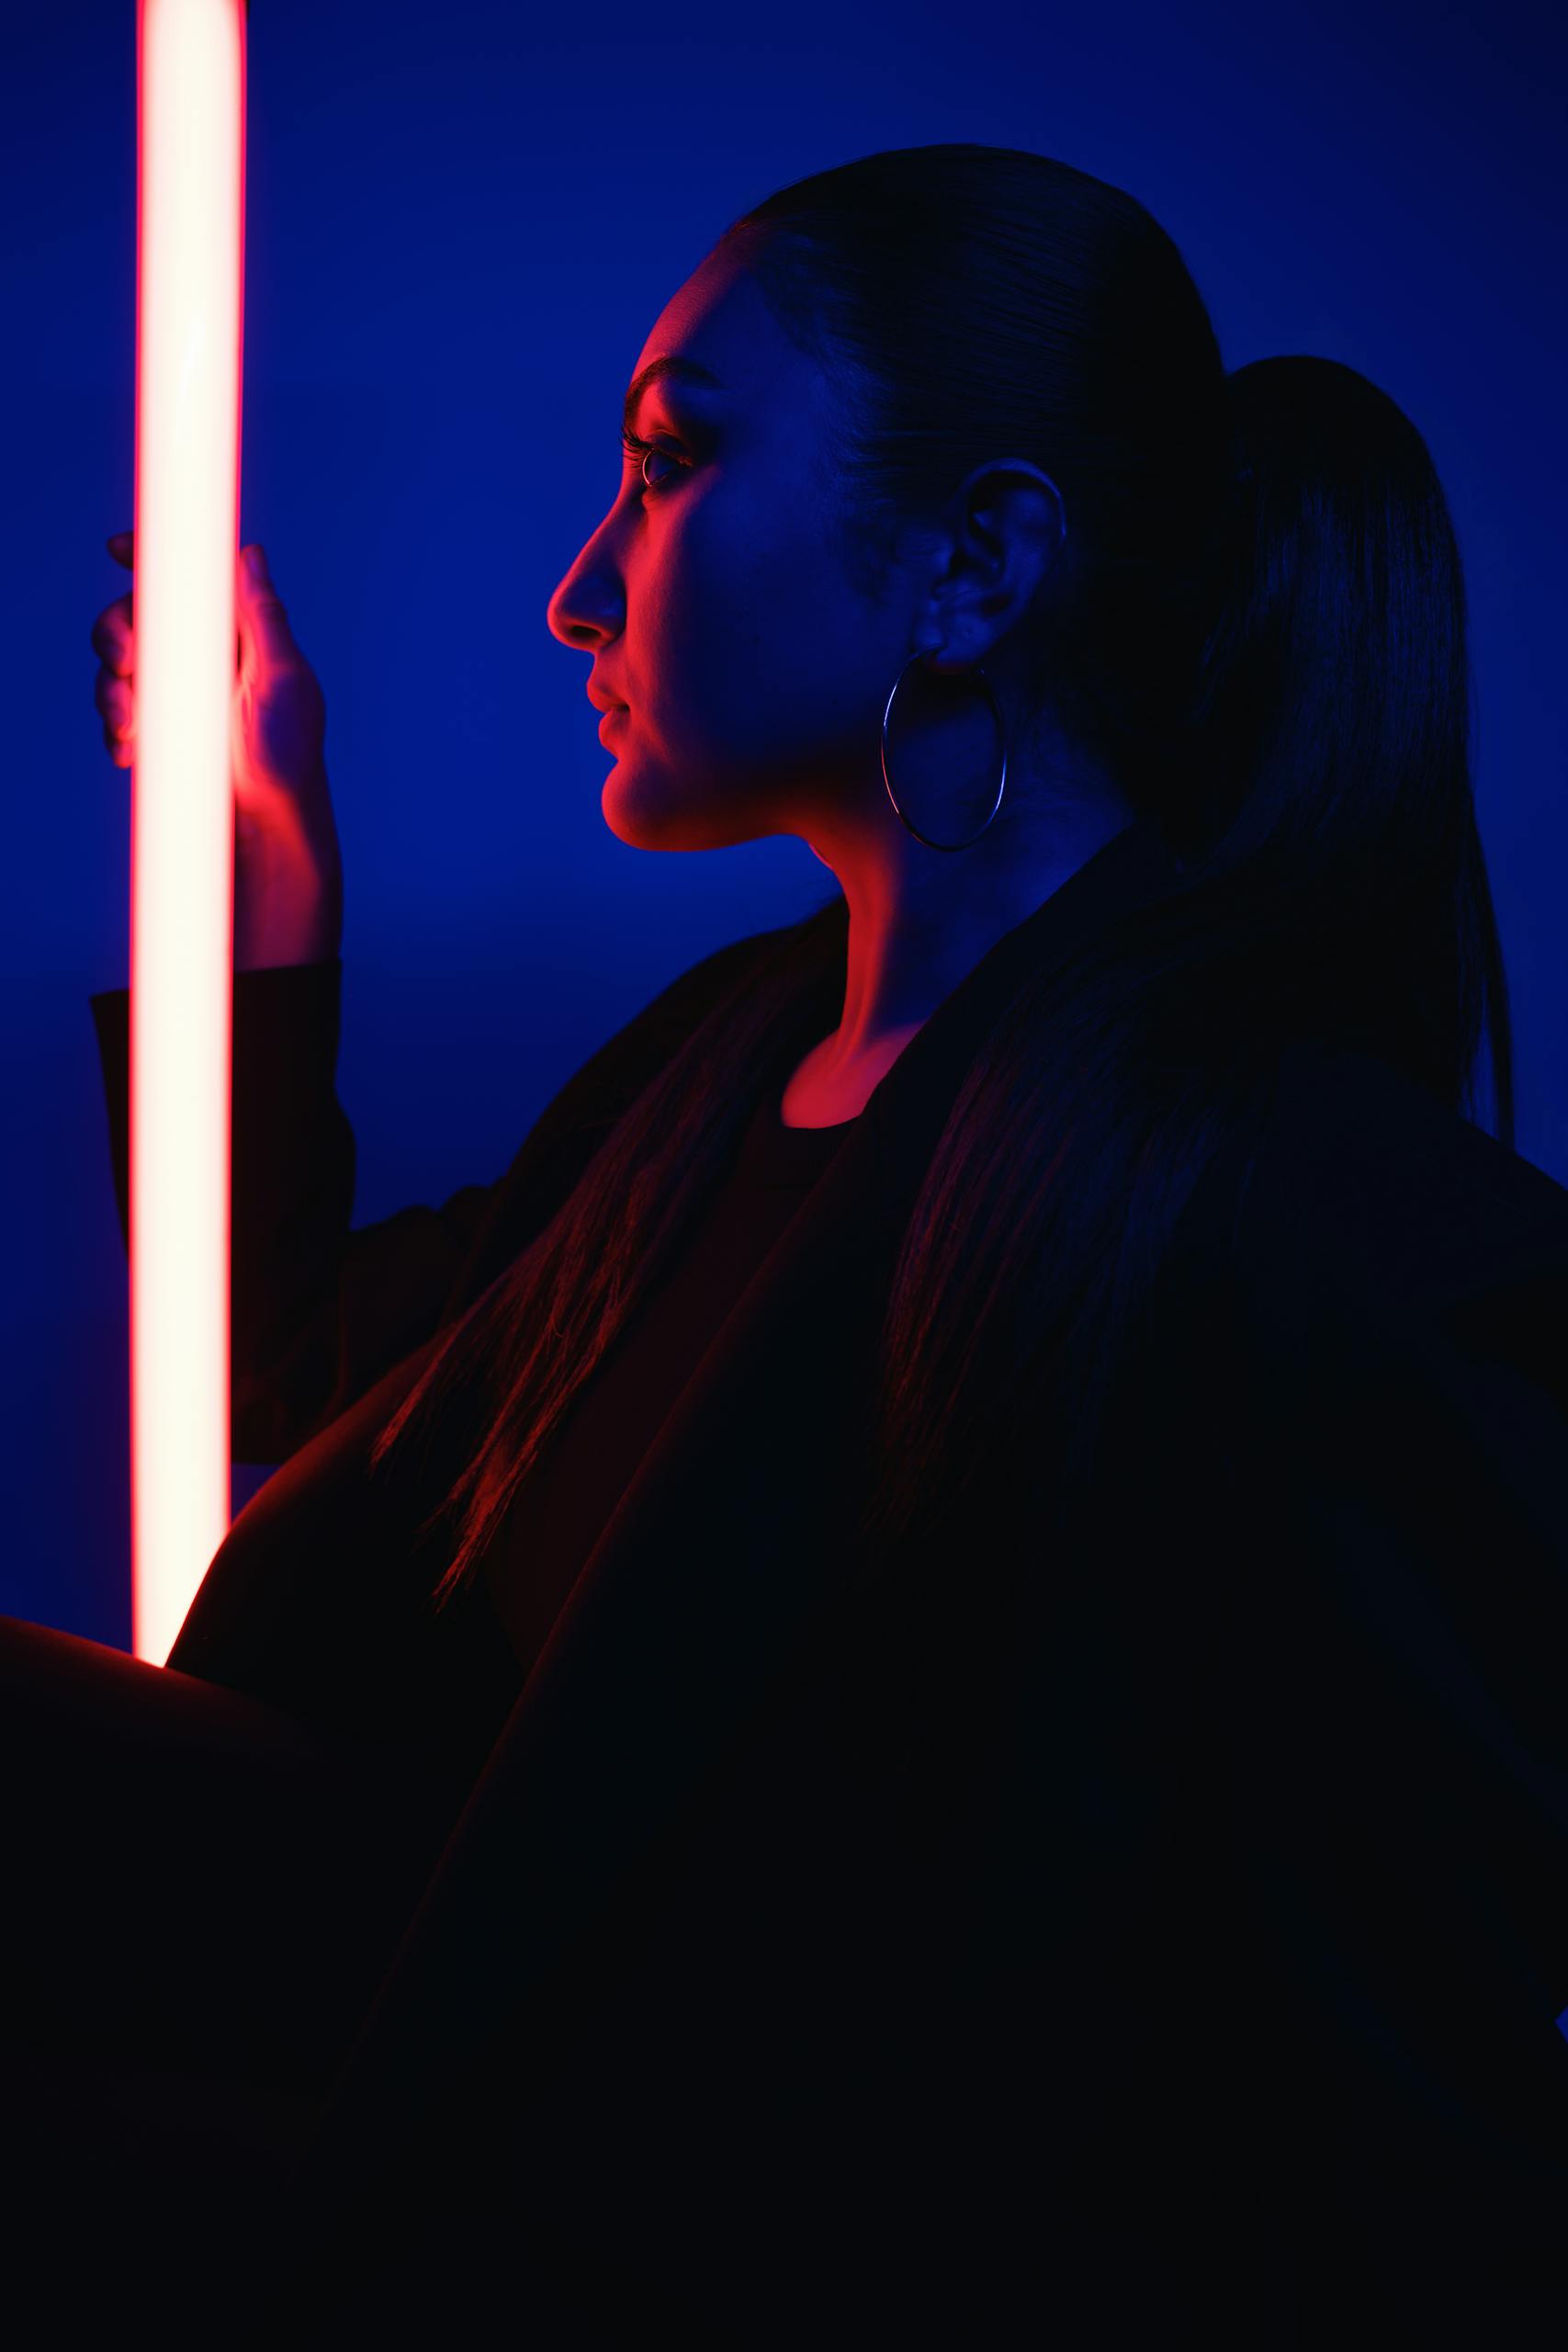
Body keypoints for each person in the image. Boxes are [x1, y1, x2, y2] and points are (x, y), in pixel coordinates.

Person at [43, 140, 1568, 2340]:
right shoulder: (724, 1059)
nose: (579, 588)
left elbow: (1408, 2185)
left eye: (666, 463)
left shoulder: (1338, 1252)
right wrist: (256, 836)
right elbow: (275, 1360)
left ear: (969, 567)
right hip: (345, 2114)